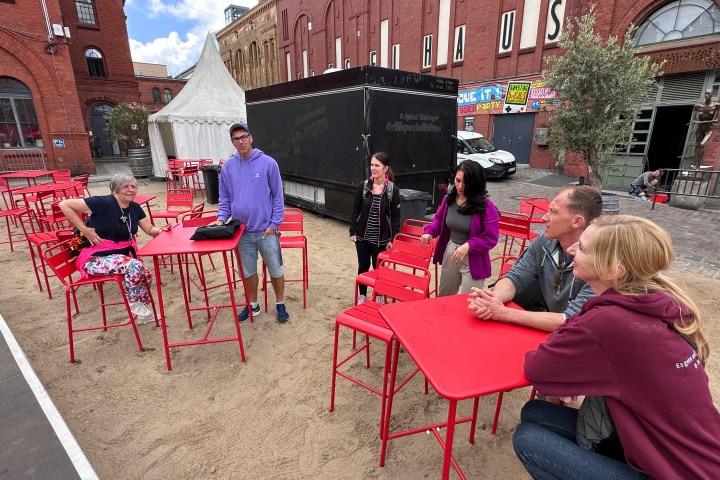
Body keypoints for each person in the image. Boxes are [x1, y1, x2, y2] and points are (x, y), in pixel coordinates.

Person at [513, 215, 720, 479]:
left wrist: (588, 313)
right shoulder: (656, 301)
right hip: (685, 451)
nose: (571, 249)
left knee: (528, 440)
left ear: (613, 271)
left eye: (583, 247)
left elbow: (537, 369)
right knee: (535, 412)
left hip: (672, 470)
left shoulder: (610, 321)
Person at [468, 185, 602, 332]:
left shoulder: (598, 261)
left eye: (553, 212)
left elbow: (571, 320)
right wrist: (493, 300)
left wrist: (504, 313)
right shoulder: (544, 242)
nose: (544, 218)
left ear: (577, 221)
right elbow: (515, 278)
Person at [209, 123, 289, 323]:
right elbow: (225, 198)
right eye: (236, 139)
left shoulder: (268, 163)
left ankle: (280, 304)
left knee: (276, 270)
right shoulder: (227, 167)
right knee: (248, 272)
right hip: (241, 232)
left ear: (251, 138)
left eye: (244, 137)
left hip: (266, 231)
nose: (241, 141)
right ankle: (253, 306)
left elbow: (278, 197)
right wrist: (221, 218)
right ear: (232, 142)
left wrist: (274, 225)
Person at [58, 173, 164, 325]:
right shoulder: (103, 202)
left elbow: (149, 229)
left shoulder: (134, 208)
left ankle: (143, 314)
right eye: (126, 186)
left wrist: (160, 231)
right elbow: (64, 204)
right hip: (94, 258)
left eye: (133, 186)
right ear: (114, 190)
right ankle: (134, 304)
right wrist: (85, 230)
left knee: (146, 275)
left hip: (118, 256)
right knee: (135, 266)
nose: (131, 190)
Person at [420, 160, 499, 296]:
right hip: (451, 252)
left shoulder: (486, 207)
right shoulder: (448, 200)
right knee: (444, 296)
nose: (460, 186)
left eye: (466, 183)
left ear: (475, 183)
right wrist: (430, 232)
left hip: (473, 258)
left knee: (468, 301)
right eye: (458, 180)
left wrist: (469, 245)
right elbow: (439, 220)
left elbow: (491, 238)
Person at [349, 152, 401, 304]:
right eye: (372, 165)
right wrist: (352, 231)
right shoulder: (363, 186)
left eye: (377, 165)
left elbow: (396, 217)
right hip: (363, 237)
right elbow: (355, 210)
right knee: (363, 266)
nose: (373, 168)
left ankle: (378, 293)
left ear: (385, 168)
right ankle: (363, 295)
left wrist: (393, 239)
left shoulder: (392, 190)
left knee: (379, 268)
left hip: (382, 239)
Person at [692, 88, 720, 167]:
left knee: (702, 144)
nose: (707, 95)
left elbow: (717, 120)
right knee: (697, 145)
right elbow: (693, 120)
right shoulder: (698, 106)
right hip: (700, 128)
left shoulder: (716, 106)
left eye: (709, 94)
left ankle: (698, 165)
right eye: (706, 94)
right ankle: (695, 164)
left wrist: (702, 122)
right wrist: (699, 122)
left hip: (708, 129)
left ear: (712, 95)